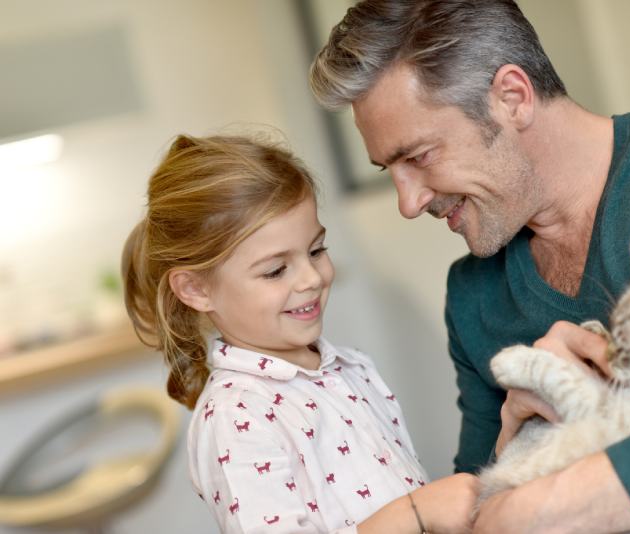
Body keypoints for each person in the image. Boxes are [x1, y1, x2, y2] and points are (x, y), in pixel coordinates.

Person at [309, 0, 630, 532]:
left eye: (419, 156)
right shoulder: (474, 294)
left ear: (512, 98)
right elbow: (474, 504)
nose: (406, 202)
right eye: (389, 169)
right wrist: (510, 439)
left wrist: (534, 509)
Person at [121, 133, 477, 533]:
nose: (311, 278)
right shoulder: (236, 416)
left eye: (316, 250)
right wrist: (415, 513)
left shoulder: (349, 368)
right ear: (196, 289)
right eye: (276, 270)